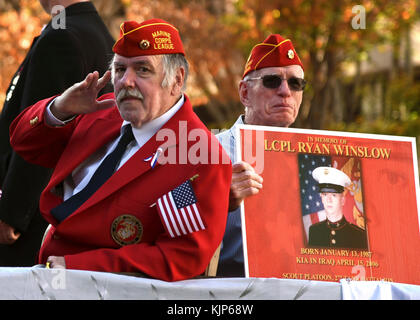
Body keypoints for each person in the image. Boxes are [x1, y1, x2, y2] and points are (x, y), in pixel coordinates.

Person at [9, 18, 231, 282]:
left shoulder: (198, 157)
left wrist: (79, 267)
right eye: (120, 69)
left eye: (143, 70)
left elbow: (182, 256)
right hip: (41, 273)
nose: (126, 82)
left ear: (176, 80)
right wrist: (60, 108)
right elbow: (25, 144)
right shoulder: (100, 112)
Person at [0, 0, 114, 266]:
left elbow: (38, 135)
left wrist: (12, 214)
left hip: (37, 219)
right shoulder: (95, 32)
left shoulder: (62, 37)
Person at [216, 34, 306, 276]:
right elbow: (169, 222)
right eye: (272, 81)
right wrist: (217, 201)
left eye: (296, 83)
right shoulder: (207, 153)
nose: (285, 91)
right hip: (230, 291)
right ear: (245, 93)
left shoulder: (317, 156)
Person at [308, 166, 368, 249]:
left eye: (334, 195)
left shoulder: (358, 235)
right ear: (321, 198)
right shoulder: (314, 231)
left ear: (343, 200)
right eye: (325, 195)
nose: (329, 200)